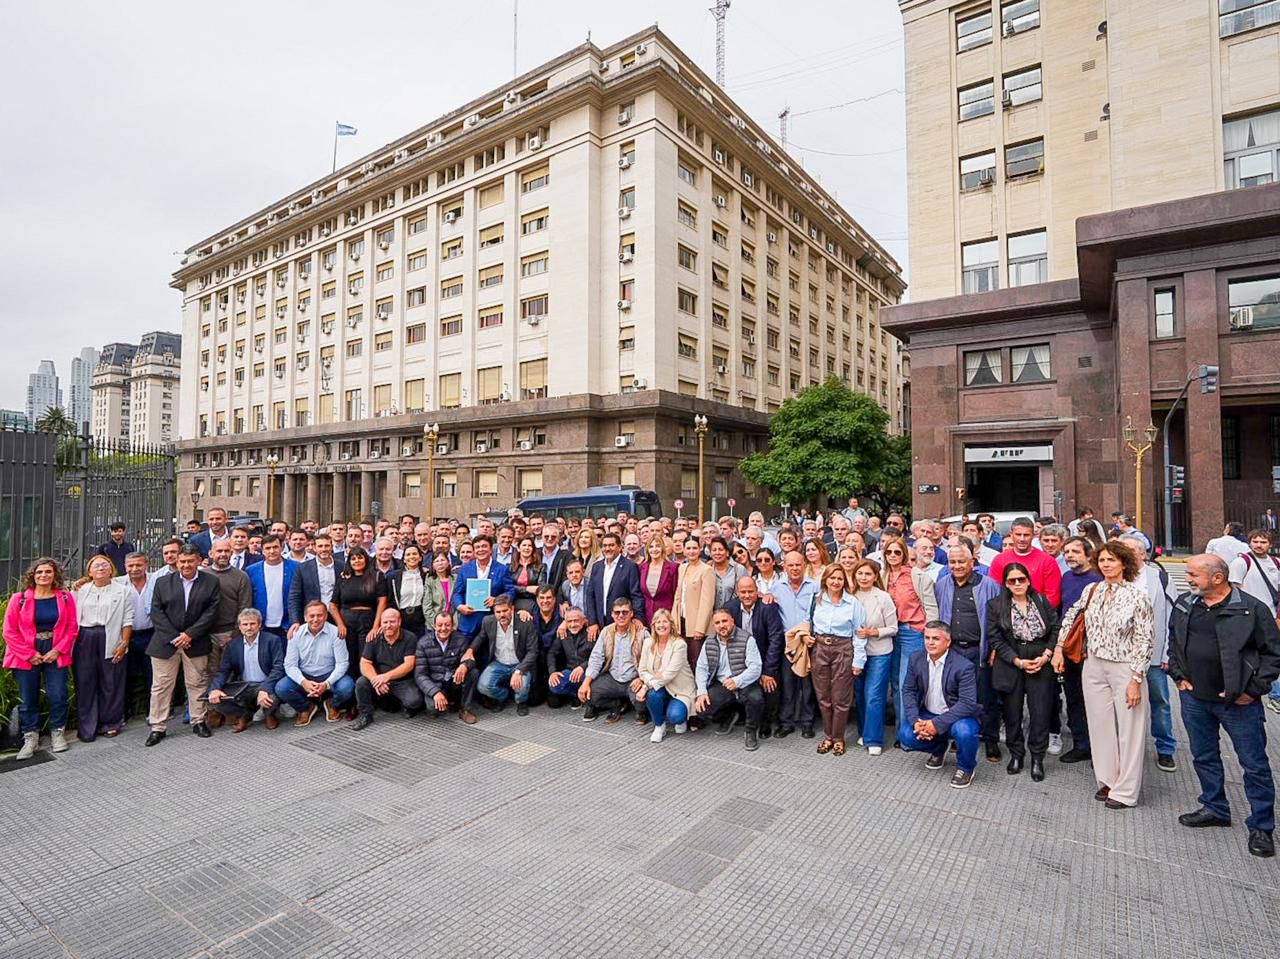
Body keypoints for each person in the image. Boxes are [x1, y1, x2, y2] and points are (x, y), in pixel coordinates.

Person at [1169, 554, 1280, 858]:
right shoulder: (1185, 604)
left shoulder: (1251, 609)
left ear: (1218, 578)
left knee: (1254, 766)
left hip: (1239, 704)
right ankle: (1214, 807)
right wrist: (1179, 677)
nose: (1188, 579)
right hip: (1194, 699)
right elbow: (1174, 642)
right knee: (1204, 756)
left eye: (1194, 574)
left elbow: (1273, 655)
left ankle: (1261, 827)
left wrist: (1252, 690)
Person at [1055, 540, 1154, 809]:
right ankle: (1107, 780)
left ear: (1124, 563)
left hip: (1125, 666)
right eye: (1102, 560)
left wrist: (1136, 679)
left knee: (1130, 730)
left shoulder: (1137, 595)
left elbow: (1145, 640)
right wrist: (1059, 649)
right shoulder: (1092, 590)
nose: (1106, 565)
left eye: (1112, 560)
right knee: (1100, 726)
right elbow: (1070, 618)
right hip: (1094, 664)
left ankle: (1126, 791)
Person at [987, 563, 1060, 781]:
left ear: (1028, 581)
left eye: (1021, 579)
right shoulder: (996, 605)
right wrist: (1016, 661)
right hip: (1012, 659)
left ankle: (1037, 758)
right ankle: (1016, 754)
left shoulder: (1042, 601)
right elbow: (995, 637)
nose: (1017, 584)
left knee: (1040, 712)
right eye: (1012, 580)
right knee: (1012, 713)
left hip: (1040, 658)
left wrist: (1047, 655)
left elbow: (1056, 628)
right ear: (1006, 584)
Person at [146, 545, 222, 746]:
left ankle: (198, 721)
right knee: (161, 686)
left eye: (190, 561)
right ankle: (158, 726)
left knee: (197, 683)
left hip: (195, 642)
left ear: (198, 560)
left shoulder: (211, 581)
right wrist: (174, 636)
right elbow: (156, 612)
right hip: (165, 643)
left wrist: (189, 634)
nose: (186, 565)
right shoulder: (162, 582)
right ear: (176, 562)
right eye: (182, 561)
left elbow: (211, 612)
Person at [934, 542, 1002, 761]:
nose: (957, 566)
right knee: (954, 697)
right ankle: (958, 737)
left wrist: (994, 648)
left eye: (961, 561)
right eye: (952, 562)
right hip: (953, 650)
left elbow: (998, 620)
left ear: (972, 562)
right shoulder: (943, 584)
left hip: (979, 650)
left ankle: (990, 740)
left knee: (985, 697)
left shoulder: (989, 585)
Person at [4, 559, 77, 759]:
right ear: (33, 575)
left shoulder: (64, 597)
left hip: (55, 651)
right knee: (28, 698)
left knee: (58, 695)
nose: (43, 575)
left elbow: (72, 628)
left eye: (48, 572)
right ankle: (30, 737)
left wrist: (58, 650)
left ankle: (57, 733)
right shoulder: (19, 599)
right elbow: (9, 632)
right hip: (26, 653)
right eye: (39, 572)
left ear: (55, 575)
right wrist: (29, 654)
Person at [1119, 532, 1180, 772]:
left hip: (1153, 655)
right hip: (1121, 655)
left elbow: (1171, 617)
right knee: (1123, 701)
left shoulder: (1160, 579)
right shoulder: (1114, 577)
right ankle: (1126, 747)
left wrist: (1167, 653)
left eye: (1132, 551)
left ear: (1143, 554)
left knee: (1160, 701)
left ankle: (1165, 748)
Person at [897, 621, 982, 789]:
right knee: (906, 735)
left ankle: (965, 768)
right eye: (927, 637)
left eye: (935, 638)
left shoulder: (964, 666)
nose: (930, 642)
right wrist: (916, 722)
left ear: (948, 642)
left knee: (965, 732)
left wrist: (936, 725)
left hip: (956, 718)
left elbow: (967, 703)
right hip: (928, 714)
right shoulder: (916, 659)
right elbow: (908, 690)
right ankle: (939, 747)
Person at [806, 564, 866, 756]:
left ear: (844, 581)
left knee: (841, 697)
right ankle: (828, 736)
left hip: (843, 649)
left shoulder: (853, 603)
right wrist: (806, 637)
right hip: (820, 648)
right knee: (823, 697)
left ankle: (838, 737)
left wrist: (858, 661)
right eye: (832, 578)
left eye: (839, 578)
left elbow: (859, 634)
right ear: (825, 580)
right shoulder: (816, 600)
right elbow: (808, 623)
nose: (836, 582)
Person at [72, 555, 134, 742]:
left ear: (111, 569)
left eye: (105, 565)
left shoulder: (123, 591)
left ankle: (111, 722)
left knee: (111, 681)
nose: (100, 568)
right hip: (85, 637)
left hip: (111, 636)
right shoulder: (81, 590)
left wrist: (123, 643)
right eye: (96, 565)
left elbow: (128, 620)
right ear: (89, 572)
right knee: (85, 681)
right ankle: (87, 726)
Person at [882, 536, 939, 730]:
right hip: (889, 634)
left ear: (904, 555)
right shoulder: (882, 576)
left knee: (907, 683)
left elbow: (931, 608)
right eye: (889, 552)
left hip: (911, 632)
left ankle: (907, 731)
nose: (893, 555)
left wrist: (930, 635)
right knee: (895, 684)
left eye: (897, 552)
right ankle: (901, 729)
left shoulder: (917, 576)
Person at [1056, 537, 1103, 764]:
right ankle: (1081, 744)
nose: (1069, 556)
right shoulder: (1065, 578)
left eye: (1075, 551)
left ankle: (1101, 749)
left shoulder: (1098, 580)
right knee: (1073, 697)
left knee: (1095, 701)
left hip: (1092, 650)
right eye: (1066, 552)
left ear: (1087, 554)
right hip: (1070, 648)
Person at [694, 609, 765, 751]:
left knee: (756, 698)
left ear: (732, 621)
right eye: (717, 623)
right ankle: (728, 716)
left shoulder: (747, 639)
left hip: (744, 682)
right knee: (702, 707)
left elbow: (756, 667)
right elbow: (701, 668)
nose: (722, 625)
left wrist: (738, 681)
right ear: (714, 626)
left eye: (725, 621)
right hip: (723, 684)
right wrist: (701, 692)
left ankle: (750, 731)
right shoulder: (709, 642)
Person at [723, 577, 785, 738]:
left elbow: (776, 638)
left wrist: (768, 671)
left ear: (757, 591)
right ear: (737, 592)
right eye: (743, 592)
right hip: (739, 658)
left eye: (751, 591)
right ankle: (739, 715)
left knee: (769, 685)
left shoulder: (767, 607)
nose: (747, 595)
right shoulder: (730, 608)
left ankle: (766, 722)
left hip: (764, 656)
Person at [206, 608, 284, 733]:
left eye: (252, 624)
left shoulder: (272, 640)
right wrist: (215, 689)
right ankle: (244, 715)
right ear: (240, 627)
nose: (249, 628)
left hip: (266, 683)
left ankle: (269, 714)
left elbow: (279, 667)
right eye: (245, 624)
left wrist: (265, 689)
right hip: (244, 686)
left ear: (259, 625)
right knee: (217, 700)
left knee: (272, 698)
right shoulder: (233, 645)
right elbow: (224, 670)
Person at [770, 550, 821, 740]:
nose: (794, 568)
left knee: (807, 685)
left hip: (808, 641)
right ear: (784, 566)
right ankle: (786, 723)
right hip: (788, 643)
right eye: (790, 565)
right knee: (787, 684)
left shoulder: (815, 586)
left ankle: (807, 723)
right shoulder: (776, 588)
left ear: (804, 565)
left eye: (798, 564)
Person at [466, 594, 540, 716]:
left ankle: (521, 702)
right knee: (483, 686)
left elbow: (533, 651)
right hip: (499, 663)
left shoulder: (525, 623)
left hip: (520, 663)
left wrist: (519, 671)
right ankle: (503, 696)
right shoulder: (488, 622)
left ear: (512, 608)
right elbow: (480, 637)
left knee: (522, 687)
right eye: (498, 612)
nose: (502, 615)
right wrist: (470, 650)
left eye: (505, 610)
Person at [579, 598, 649, 723]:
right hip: (612, 679)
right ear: (612, 614)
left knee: (644, 703)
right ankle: (616, 704)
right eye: (617, 612)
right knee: (588, 695)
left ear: (631, 613)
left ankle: (638, 709)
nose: (621, 616)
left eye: (625, 612)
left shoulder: (642, 633)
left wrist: (642, 678)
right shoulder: (606, 631)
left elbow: (651, 661)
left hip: (633, 680)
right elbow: (596, 658)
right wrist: (586, 683)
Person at [351, 608, 421, 729]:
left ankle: (404, 706)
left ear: (399, 622)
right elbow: (365, 663)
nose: (388, 625)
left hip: (402, 681)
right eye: (385, 622)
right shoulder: (373, 638)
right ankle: (365, 715)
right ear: (380, 623)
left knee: (414, 701)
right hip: (379, 679)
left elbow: (409, 665)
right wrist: (375, 679)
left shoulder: (410, 637)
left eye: (392, 622)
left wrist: (386, 676)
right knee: (361, 683)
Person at [330, 547, 388, 679]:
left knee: (366, 658)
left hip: (368, 623)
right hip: (346, 624)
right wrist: (340, 624)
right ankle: (349, 695)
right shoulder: (343, 578)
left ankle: (364, 692)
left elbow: (382, 602)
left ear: (366, 559)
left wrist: (376, 626)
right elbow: (333, 605)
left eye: (360, 557)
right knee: (348, 658)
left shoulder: (377, 576)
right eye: (353, 558)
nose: (357, 561)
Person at [638, 609, 696, 742]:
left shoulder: (679, 644)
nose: (661, 625)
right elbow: (642, 670)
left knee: (675, 717)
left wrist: (646, 686)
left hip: (679, 689)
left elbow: (670, 674)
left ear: (671, 625)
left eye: (665, 621)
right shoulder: (648, 643)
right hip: (660, 686)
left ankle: (679, 716)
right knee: (653, 695)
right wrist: (651, 681)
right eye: (658, 622)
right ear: (653, 625)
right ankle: (659, 726)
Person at [413, 611, 478, 724]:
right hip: (435, 683)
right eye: (440, 625)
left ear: (453, 626)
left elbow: (470, 659)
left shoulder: (460, 639)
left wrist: (464, 665)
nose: (443, 628)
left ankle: (465, 709)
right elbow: (420, 675)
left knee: (473, 673)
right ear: (434, 626)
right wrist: (435, 692)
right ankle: (446, 701)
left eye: (447, 625)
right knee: (433, 709)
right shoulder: (423, 643)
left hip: (453, 680)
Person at [452, 534, 515, 643]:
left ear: (491, 549)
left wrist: (496, 600)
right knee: (465, 655)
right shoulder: (464, 569)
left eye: (484, 546)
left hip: (492, 620)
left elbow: (510, 591)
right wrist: (460, 606)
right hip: (469, 621)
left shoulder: (502, 569)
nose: (480, 550)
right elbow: (457, 593)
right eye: (477, 547)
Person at [988, 516, 1062, 608]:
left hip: (1040, 616)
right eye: (1018, 534)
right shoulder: (999, 560)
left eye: (1026, 535)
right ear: (1011, 534)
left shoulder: (1047, 561)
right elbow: (994, 591)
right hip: (1007, 615)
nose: (1022, 539)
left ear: (1033, 535)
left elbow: (1052, 596)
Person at [584, 532, 645, 632]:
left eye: (611, 545)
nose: (608, 549)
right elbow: (590, 595)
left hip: (622, 622)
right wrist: (593, 621)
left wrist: (637, 617)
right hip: (599, 624)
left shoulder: (630, 566)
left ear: (620, 547)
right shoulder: (597, 567)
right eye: (605, 546)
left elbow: (636, 595)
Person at [673, 536, 716, 672]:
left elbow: (707, 601)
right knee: (683, 660)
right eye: (688, 548)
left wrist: (700, 628)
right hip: (682, 621)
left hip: (697, 624)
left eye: (694, 548)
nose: (691, 551)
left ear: (700, 549)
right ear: (684, 550)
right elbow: (678, 597)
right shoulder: (682, 568)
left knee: (696, 661)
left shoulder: (706, 570)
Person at [245, 535, 298, 641]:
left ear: (282, 548)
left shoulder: (296, 568)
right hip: (261, 626)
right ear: (262, 550)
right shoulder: (251, 571)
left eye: (275, 547)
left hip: (287, 626)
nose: (272, 551)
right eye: (268, 548)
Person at [546, 606, 594, 707]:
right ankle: (576, 695)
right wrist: (552, 672)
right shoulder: (563, 633)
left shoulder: (591, 633)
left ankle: (588, 698)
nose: (572, 625)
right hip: (570, 670)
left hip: (589, 672)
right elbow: (551, 653)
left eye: (576, 621)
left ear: (584, 620)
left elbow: (599, 657)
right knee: (555, 685)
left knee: (593, 687)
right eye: (569, 621)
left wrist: (583, 667)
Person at [386, 543, 429, 637]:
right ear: (404, 559)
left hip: (419, 618)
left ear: (420, 557)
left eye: (415, 554)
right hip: (400, 617)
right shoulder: (393, 577)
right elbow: (388, 600)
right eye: (408, 554)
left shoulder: (426, 576)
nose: (411, 557)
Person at [639, 536, 679, 625]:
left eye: (657, 546)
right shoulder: (641, 568)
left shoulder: (673, 568)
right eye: (651, 546)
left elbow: (675, 594)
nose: (654, 549)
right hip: (646, 617)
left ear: (662, 548)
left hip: (666, 617)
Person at [508, 536, 547, 618]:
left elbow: (540, 588)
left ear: (533, 549)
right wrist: (527, 589)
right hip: (513, 600)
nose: (527, 548)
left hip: (532, 601)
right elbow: (508, 587)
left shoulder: (541, 567)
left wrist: (518, 588)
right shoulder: (510, 567)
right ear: (518, 548)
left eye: (530, 546)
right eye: (524, 545)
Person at [709, 537, 748, 609]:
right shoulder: (707, 569)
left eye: (720, 550)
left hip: (733, 613)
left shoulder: (739, 569)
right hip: (712, 616)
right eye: (714, 550)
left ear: (727, 552)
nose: (717, 553)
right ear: (710, 554)